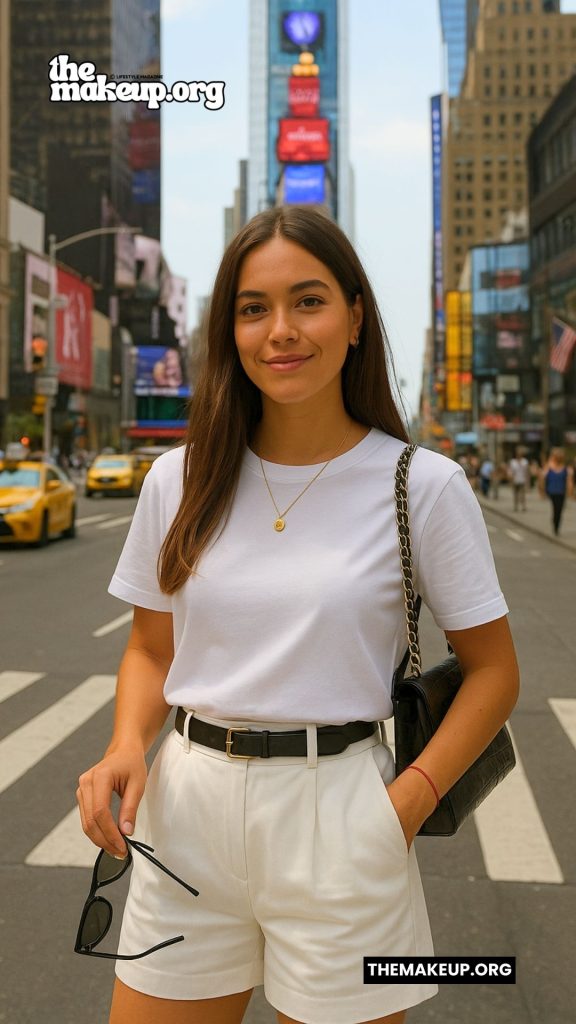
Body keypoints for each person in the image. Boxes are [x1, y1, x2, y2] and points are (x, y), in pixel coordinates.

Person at [77, 206, 519, 1024]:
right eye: (253, 309)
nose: (280, 331)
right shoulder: (177, 480)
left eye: (307, 302)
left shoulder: (423, 487)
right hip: (187, 812)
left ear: (355, 316)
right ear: (229, 331)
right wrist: (122, 748)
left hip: (344, 814)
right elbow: (149, 648)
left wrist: (407, 806)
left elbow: (495, 672)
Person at [539, 447, 574, 536]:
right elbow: (542, 479)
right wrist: (542, 491)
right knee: (556, 508)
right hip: (552, 492)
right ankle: (555, 525)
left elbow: (569, 481)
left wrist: (570, 493)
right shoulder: (549, 467)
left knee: (559, 510)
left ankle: (556, 525)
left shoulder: (566, 469)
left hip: (561, 492)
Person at [508, 447, 529, 511]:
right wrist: (510, 481)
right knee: (515, 494)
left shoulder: (524, 462)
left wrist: (528, 482)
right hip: (515, 480)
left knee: (522, 495)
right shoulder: (513, 462)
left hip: (522, 480)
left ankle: (523, 506)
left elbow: (527, 472)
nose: (519, 455)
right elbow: (511, 472)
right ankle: (516, 506)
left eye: (520, 454)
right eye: (518, 454)